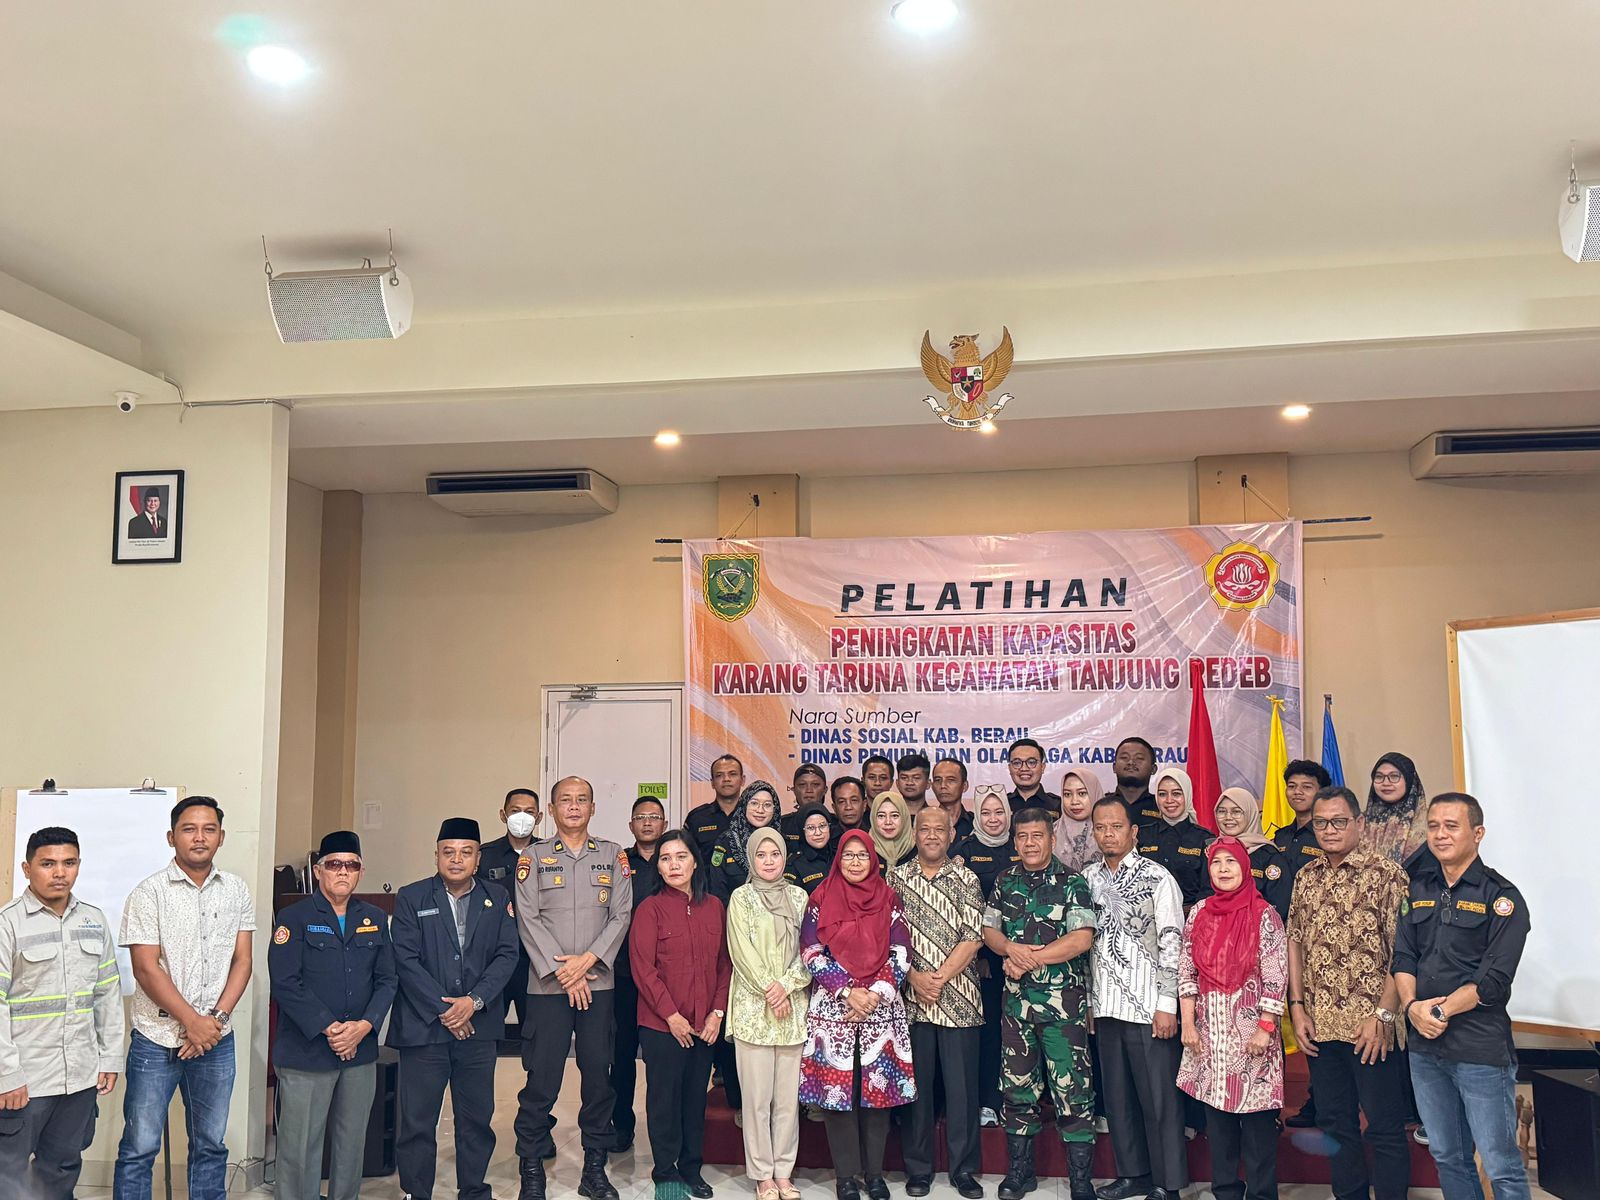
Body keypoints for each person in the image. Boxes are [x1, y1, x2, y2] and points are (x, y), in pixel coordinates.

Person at [1394, 793, 1532, 1200]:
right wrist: (1411, 1007)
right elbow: (1403, 956)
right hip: (1425, 1048)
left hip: (1479, 1049)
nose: (1440, 834)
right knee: (1447, 1155)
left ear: (1478, 833)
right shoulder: (1417, 888)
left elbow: (1493, 980)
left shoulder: (1502, 897)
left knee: (1500, 1163)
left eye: (1451, 826)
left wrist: (1437, 1011)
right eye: (1434, 826)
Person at [115, 796, 254, 1200]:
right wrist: (192, 1023)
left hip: (216, 1040)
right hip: (155, 1038)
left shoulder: (236, 890)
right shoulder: (149, 893)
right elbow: (145, 968)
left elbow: (243, 961)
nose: (199, 837)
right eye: (189, 829)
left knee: (211, 1145)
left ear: (221, 837)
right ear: (171, 837)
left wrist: (214, 1023)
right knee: (139, 1148)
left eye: (209, 829)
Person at [1286, 786, 1411, 1200]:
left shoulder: (1388, 875)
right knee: (1336, 1124)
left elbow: (1403, 953)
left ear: (1359, 822)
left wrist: (1383, 1016)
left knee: (1384, 1127)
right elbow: (1295, 942)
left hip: (1372, 1029)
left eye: (1339, 821)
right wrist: (1297, 1007)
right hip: (1320, 1026)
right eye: (1321, 823)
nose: (1329, 830)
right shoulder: (1306, 876)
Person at [513, 776, 633, 1200]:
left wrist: (587, 962)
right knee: (541, 1080)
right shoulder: (532, 856)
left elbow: (621, 915)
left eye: (582, 799)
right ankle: (531, 1169)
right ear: (552, 808)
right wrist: (564, 972)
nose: (574, 806)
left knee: (598, 1078)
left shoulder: (613, 855)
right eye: (566, 800)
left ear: (593, 808)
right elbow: (527, 917)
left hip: (598, 985)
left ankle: (594, 1170)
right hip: (548, 987)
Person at [390, 819, 520, 1200]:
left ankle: (474, 1190)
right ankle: (416, 1192)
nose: (457, 859)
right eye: (448, 852)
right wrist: (446, 1010)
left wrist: (473, 1002)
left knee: (476, 1118)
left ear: (478, 858)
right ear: (436, 856)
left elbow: (507, 955)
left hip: (478, 1028)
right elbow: (405, 960)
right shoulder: (412, 897)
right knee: (417, 1121)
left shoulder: (497, 897)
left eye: (466, 852)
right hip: (424, 1028)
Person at [269, 831, 397, 1200]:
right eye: (334, 864)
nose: (343, 871)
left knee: (352, 1143)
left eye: (351, 865)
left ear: (361, 872)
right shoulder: (294, 918)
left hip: (359, 1051)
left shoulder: (374, 918)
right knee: (299, 1147)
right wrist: (331, 1029)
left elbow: (387, 979)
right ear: (318, 870)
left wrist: (364, 1026)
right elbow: (286, 982)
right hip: (307, 1051)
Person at [0, 828, 123, 1200]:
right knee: (8, 1175)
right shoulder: (7, 923)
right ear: (27, 868)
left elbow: (107, 994)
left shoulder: (93, 920)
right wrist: (7, 1074)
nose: (59, 873)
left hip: (79, 1077)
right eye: (47, 864)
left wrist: (110, 1057)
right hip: (26, 1078)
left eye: (69, 863)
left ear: (79, 865)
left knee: (62, 1169)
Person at [983, 808, 1098, 1200]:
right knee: (1017, 1090)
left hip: (1062, 1009)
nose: (1029, 843)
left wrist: (1029, 957)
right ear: (1014, 841)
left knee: (1073, 1091)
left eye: (1037, 836)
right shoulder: (1005, 881)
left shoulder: (1073, 882)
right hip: (1017, 1008)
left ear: (1051, 838)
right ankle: (1021, 1173)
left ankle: (1080, 1181)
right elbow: (989, 931)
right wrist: (1009, 948)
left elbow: (1081, 939)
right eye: (1022, 837)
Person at [800, 830, 916, 1200]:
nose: (854, 862)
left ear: (873, 859)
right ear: (838, 859)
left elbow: (901, 951)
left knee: (876, 1096)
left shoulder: (889, 897)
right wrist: (849, 991)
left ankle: (875, 1175)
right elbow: (811, 950)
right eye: (848, 855)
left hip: (880, 1013)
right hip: (835, 1010)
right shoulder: (820, 897)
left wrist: (875, 994)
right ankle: (846, 1177)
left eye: (862, 855)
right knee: (838, 1096)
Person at [1083, 797, 1186, 1200]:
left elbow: (1173, 943)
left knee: (1159, 1101)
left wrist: (1167, 1004)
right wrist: (1089, 1002)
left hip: (1149, 1008)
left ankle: (1167, 1183)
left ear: (1134, 831)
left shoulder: (1157, 878)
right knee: (1119, 1099)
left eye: (1116, 826)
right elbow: (1084, 946)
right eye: (1101, 827)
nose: (1108, 834)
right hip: (1106, 1005)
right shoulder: (1087, 878)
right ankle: (1133, 1175)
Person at [1178, 837, 1287, 1200]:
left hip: (1253, 1040)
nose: (1223, 869)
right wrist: (1188, 1024)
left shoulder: (1264, 914)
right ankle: (1225, 1192)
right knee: (1219, 1128)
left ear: (1245, 867)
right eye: (1216, 862)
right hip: (1210, 1039)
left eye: (1231, 862)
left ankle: (1261, 1195)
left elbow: (1276, 977)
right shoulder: (1199, 912)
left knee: (1257, 1131)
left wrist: (1265, 1028)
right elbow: (1186, 971)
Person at [630, 829, 730, 1200]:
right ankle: (665, 1171)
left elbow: (725, 964)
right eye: (665, 858)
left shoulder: (714, 906)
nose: (674, 865)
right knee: (664, 1100)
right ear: (658, 867)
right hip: (662, 1025)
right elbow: (643, 969)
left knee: (694, 1099)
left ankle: (691, 1167)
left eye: (681, 856)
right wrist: (671, 1016)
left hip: (704, 1025)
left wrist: (717, 1012)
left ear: (695, 862)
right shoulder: (650, 908)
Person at [893, 807, 985, 1199]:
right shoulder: (896, 879)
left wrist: (939, 978)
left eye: (939, 830)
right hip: (912, 1001)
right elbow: (888, 936)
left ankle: (964, 1170)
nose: (932, 835)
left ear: (951, 835)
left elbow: (973, 936)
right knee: (917, 1091)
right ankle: (918, 1169)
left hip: (959, 1000)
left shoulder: (967, 878)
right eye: (925, 829)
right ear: (914, 834)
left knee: (962, 1092)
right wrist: (914, 978)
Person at [727, 827, 811, 1200]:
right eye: (761, 855)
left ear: (784, 857)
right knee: (757, 1100)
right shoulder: (741, 898)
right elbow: (741, 951)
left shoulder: (799, 897)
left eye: (774, 854)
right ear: (751, 859)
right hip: (754, 1009)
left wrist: (788, 985)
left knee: (787, 1101)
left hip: (792, 1010)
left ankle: (784, 1173)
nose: (768, 861)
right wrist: (771, 989)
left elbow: (810, 949)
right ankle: (762, 1175)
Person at [953, 785, 1020, 1127]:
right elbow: (959, 909)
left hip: (1022, 958)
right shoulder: (964, 850)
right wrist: (978, 955)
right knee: (991, 1031)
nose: (993, 819)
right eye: (985, 813)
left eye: (999, 812)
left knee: (1020, 1033)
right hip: (982, 961)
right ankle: (988, 1101)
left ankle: (1020, 1101)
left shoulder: (1019, 845)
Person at [1273, 759, 1330, 1130]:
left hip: (1316, 942)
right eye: (1292, 786)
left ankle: (1323, 1099)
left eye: (1306, 786)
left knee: (1318, 1020)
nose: (1297, 792)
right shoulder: (1278, 836)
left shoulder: (1325, 836)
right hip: (1279, 940)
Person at [610, 796, 665, 1153]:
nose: (647, 822)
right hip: (624, 974)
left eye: (654, 817)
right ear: (630, 825)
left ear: (664, 824)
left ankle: (665, 1133)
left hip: (665, 977)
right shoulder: (618, 864)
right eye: (640, 817)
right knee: (621, 1054)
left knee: (662, 1059)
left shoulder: (673, 860)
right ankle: (621, 1126)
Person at [478, 787, 542, 1037]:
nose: (522, 817)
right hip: (493, 959)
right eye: (515, 811)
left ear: (539, 817)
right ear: (503, 815)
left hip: (535, 961)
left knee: (537, 1034)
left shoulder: (549, 855)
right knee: (485, 1031)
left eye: (529, 812)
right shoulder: (484, 856)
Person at [1141, 766, 1211, 909]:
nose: (1169, 800)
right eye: (1162, 794)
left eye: (1176, 794)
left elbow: (1208, 890)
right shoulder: (1142, 835)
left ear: (1187, 795)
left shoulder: (1205, 839)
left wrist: (1191, 915)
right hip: (1147, 915)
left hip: (1190, 915)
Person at [1211, 788, 1288, 918]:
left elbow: (1279, 905)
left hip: (1255, 926)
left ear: (1250, 814)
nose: (1228, 817)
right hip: (1214, 926)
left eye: (1236, 812)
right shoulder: (1212, 851)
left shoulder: (1268, 855)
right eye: (1222, 811)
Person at [712, 780, 784, 900]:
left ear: (775, 809)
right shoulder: (726, 841)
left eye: (767, 805)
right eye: (754, 803)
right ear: (744, 805)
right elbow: (717, 888)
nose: (760, 810)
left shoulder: (783, 842)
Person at [1361, 752, 1430, 866]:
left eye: (1394, 776)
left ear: (1409, 780)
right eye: (1379, 777)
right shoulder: (1361, 821)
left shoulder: (1430, 821)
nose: (1386, 783)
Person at [687, 753, 747, 857]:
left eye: (733, 774)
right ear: (712, 783)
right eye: (719, 775)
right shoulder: (696, 818)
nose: (726, 779)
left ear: (743, 780)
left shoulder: (755, 816)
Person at [1053, 766, 1104, 874]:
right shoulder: (1051, 833)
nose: (1074, 801)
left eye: (1082, 793)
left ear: (1094, 792)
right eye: (1067, 794)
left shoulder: (1113, 832)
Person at [785, 804, 837, 894]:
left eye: (822, 826)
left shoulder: (839, 856)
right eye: (811, 828)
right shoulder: (794, 865)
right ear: (802, 830)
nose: (818, 833)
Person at [1111, 737, 1159, 828]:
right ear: (1114, 767)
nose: (1131, 762)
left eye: (1139, 758)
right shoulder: (1101, 804)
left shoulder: (1163, 806)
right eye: (1124, 757)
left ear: (1153, 769)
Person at [1004, 739, 1060, 817]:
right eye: (1017, 763)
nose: (1024, 768)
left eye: (1031, 762)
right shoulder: (1001, 804)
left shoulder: (1059, 805)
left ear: (1042, 767)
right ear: (1010, 768)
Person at [782, 765, 830, 852]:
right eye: (802, 785)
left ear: (825, 790)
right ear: (793, 790)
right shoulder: (782, 826)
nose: (809, 790)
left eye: (815, 785)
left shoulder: (836, 825)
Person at [869, 789, 915, 871]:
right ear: (873, 818)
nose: (888, 822)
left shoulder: (919, 851)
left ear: (904, 817)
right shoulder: (864, 849)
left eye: (894, 816)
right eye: (881, 816)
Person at [931, 757, 975, 840]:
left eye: (951, 780)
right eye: (938, 780)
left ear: (964, 786)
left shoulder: (976, 824)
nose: (943, 785)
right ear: (932, 786)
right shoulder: (924, 822)